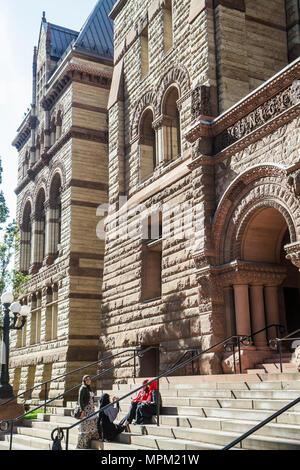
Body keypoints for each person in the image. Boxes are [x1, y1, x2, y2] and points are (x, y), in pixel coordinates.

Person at [76, 375, 100, 449]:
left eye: (89, 379)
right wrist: (82, 410)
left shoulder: (89, 388)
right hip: (86, 410)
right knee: (85, 426)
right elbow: (80, 400)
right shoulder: (82, 388)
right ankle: (82, 444)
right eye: (87, 380)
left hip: (91, 409)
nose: (88, 381)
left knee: (91, 425)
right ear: (84, 381)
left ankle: (89, 440)